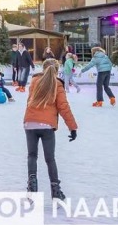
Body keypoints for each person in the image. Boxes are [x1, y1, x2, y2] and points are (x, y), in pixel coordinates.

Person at [23, 59, 78, 201]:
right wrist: (72, 127)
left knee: (32, 155)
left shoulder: (35, 81)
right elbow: (63, 107)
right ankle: (56, 191)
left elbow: (30, 101)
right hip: (47, 125)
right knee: (50, 159)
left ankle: (32, 188)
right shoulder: (57, 84)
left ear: (43, 68)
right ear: (57, 70)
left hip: (30, 122)